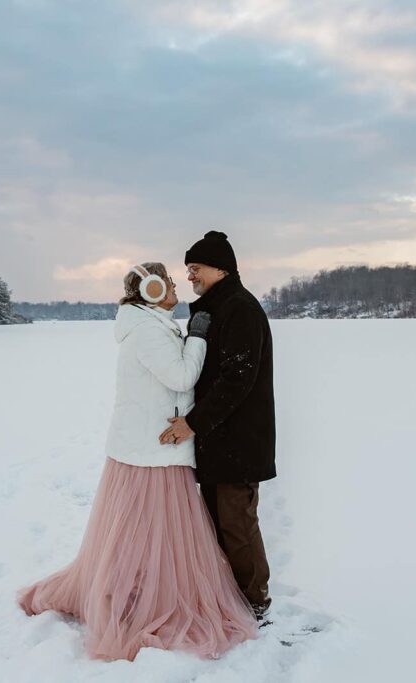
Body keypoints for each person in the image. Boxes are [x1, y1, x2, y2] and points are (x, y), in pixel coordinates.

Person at [17, 261, 258, 661]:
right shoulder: (146, 329)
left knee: (146, 532)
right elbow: (181, 377)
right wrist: (198, 337)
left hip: (152, 447)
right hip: (151, 451)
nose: (175, 284)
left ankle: (140, 590)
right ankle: (140, 598)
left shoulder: (151, 323)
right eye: (165, 281)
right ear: (148, 290)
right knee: (146, 530)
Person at [159, 232, 276, 621]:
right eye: (188, 269)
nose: (189, 275)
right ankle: (228, 600)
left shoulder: (240, 309)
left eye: (196, 268)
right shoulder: (212, 309)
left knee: (237, 527)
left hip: (238, 442)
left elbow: (236, 380)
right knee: (215, 526)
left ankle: (255, 604)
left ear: (220, 268)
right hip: (214, 441)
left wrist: (192, 423)